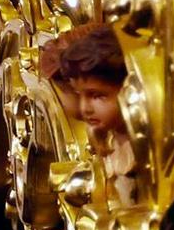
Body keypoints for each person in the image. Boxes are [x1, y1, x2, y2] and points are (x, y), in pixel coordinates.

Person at [39, 21, 139, 204]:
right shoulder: (104, 138)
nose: (85, 108)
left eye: (97, 96)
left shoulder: (142, 147)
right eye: (79, 94)